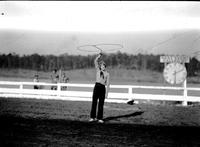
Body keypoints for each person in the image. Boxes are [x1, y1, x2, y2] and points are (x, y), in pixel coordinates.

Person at [89, 52, 110, 123]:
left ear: (105, 67)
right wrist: (99, 56)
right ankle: (92, 117)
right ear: (100, 66)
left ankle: (100, 118)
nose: (102, 67)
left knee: (101, 103)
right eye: (101, 65)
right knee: (94, 102)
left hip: (102, 88)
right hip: (97, 87)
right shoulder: (98, 70)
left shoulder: (107, 74)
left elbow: (108, 84)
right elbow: (95, 61)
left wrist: (107, 93)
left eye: (104, 66)